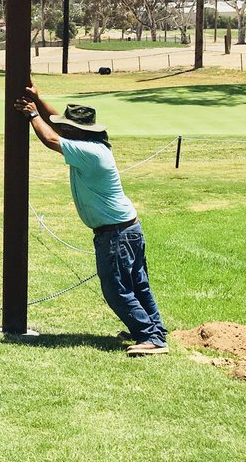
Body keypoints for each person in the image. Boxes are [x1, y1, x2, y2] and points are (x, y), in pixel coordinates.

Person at [14, 78, 168, 355]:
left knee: (116, 288)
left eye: (70, 128)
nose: (66, 129)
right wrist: (37, 98)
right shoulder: (94, 145)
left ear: (79, 132)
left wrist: (32, 115)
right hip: (127, 228)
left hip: (116, 234)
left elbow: (50, 137)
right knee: (137, 283)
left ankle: (151, 338)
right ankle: (153, 329)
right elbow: (58, 124)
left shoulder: (89, 153)